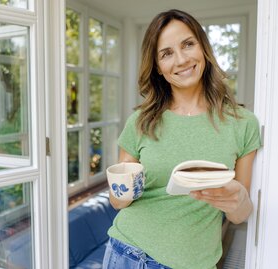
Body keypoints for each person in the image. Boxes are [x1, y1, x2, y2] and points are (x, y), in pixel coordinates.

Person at [103, 9, 261, 269]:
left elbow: (239, 216)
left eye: (188, 44)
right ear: (158, 67)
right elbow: (117, 200)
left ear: (203, 47)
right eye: (166, 53)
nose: (181, 59)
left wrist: (239, 200)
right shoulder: (141, 121)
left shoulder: (242, 123)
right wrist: (120, 193)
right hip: (128, 254)